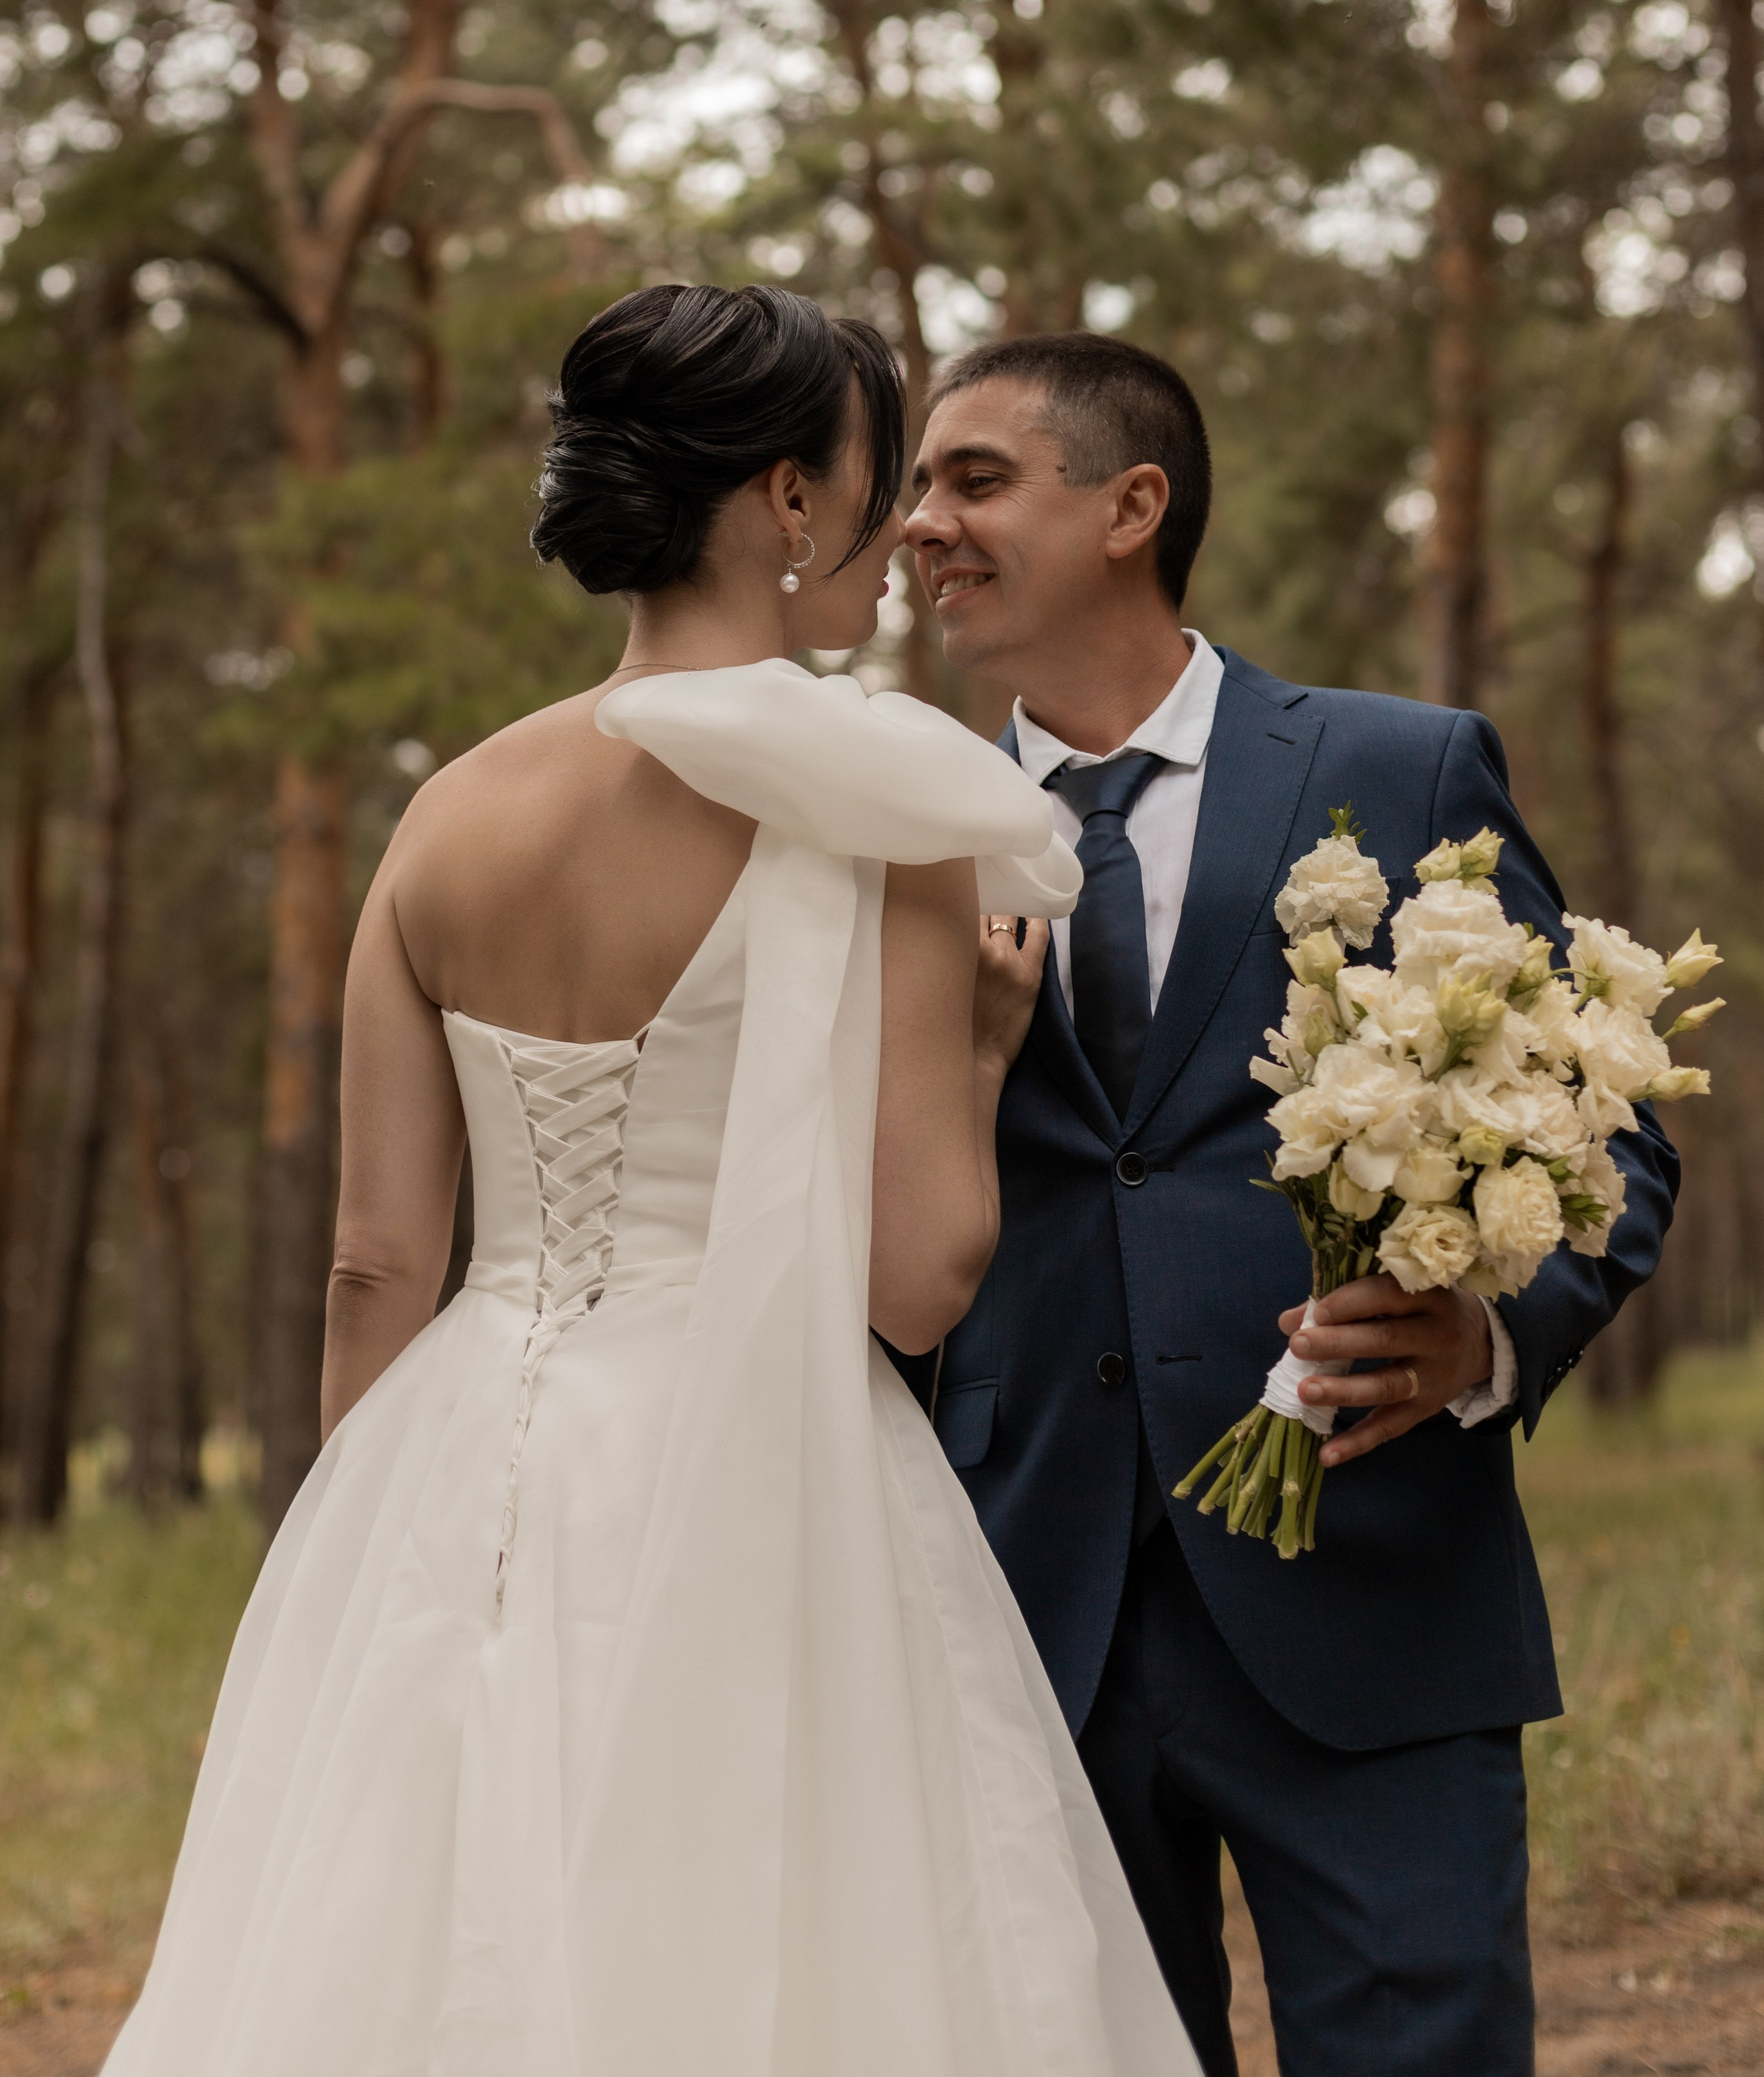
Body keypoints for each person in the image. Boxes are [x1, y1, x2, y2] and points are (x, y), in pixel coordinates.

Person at [104, 285, 1200, 2077]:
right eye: (872, 482)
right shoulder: (882, 801)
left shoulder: (446, 812)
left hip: (467, 1459)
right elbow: (918, 1276)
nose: (900, 537)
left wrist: (386, 1558)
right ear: (783, 499)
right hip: (763, 1464)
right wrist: (988, 1048)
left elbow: (380, 1261)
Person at [899, 331, 1680, 2077]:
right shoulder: (897, 833)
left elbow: (1610, 1137)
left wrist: (1485, 1331)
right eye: (914, 487)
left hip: (1376, 1586)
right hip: (1027, 1606)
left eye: (970, 480)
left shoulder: (1398, 769)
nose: (915, 526)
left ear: (1130, 506)